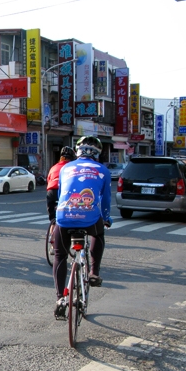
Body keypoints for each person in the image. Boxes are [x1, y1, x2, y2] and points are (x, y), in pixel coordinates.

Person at [52, 136, 111, 319]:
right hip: (90, 218)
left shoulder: (66, 168)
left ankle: (60, 298)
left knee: (60, 254)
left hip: (64, 216)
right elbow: (106, 200)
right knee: (99, 234)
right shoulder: (102, 170)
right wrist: (107, 218)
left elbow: (61, 193)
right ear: (97, 153)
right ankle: (94, 272)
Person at [46, 146, 77, 221]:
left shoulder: (53, 167)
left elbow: (48, 180)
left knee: (53, 219)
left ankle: (52, 228)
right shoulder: (73, 167)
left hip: (51, 193)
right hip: (65, 192)